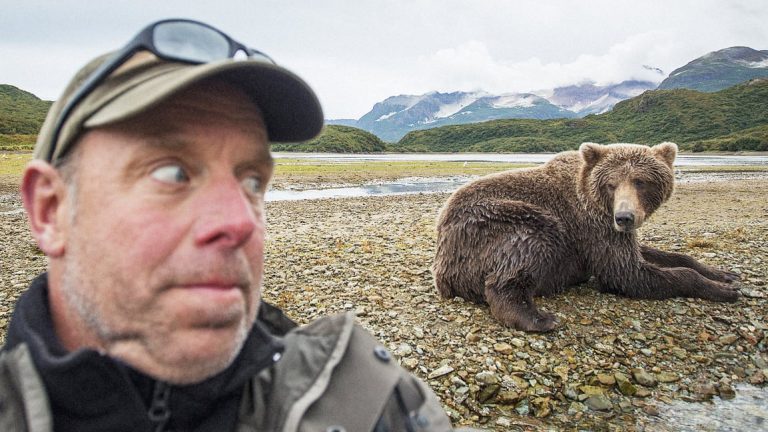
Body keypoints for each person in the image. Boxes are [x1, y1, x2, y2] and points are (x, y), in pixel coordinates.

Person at [0, 19, 454, 431]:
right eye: (173, 173)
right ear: (50, 210)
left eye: (252, 182)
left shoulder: (372, 403)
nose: (240, 223)